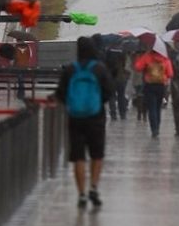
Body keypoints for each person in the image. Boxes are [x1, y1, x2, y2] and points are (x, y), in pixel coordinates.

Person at [53, 36, 114, 209]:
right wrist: (97, 103)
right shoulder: (100, 69)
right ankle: (93, 186)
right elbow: (109, 91)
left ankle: (81, 193)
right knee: (97, 154)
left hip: (75, 118)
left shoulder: (71, 69)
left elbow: (60, 93)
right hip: (96, 117)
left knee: (78, 156)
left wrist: (72, 104)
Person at [133, 40, 173, 138]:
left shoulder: (147, 56)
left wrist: (142, 58)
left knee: (152, 108)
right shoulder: (165, 59)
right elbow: (170, 74)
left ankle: (154, 129)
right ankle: (157, 128)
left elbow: (137, 67)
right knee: (158, 108)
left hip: (149, 86)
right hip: (161, 86)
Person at [105, 42, 130, 120]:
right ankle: (122, 114)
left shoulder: (108, 51)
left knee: (112, 96)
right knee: (121, 95)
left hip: (111, 76)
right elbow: (125, 64)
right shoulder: (122, 51)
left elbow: (106, 63)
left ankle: (113, 114)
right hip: (120, 76)